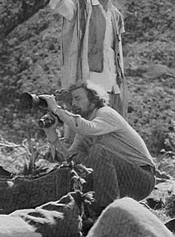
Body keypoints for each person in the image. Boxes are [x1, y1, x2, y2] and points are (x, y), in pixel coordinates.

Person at [40, 80, 156, 216]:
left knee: (97, 150)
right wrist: (52, 135)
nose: (73, 104)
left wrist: (56, 109)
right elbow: (71, 159)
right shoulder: (84, 129)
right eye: (72, 100)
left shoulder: (105, 113)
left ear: (93, 99)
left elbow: (87, 128)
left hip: (141, 178)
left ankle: (106, 212)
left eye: (77, 98)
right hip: (119, 181)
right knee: (72, 170)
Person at [49, 0, 128, 118]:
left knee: (106, 133)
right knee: (82, 130)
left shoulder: (116, 16)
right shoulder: (80, 5)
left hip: (110, 83)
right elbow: (58, 5)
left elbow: (116, 53)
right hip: (86, 82)